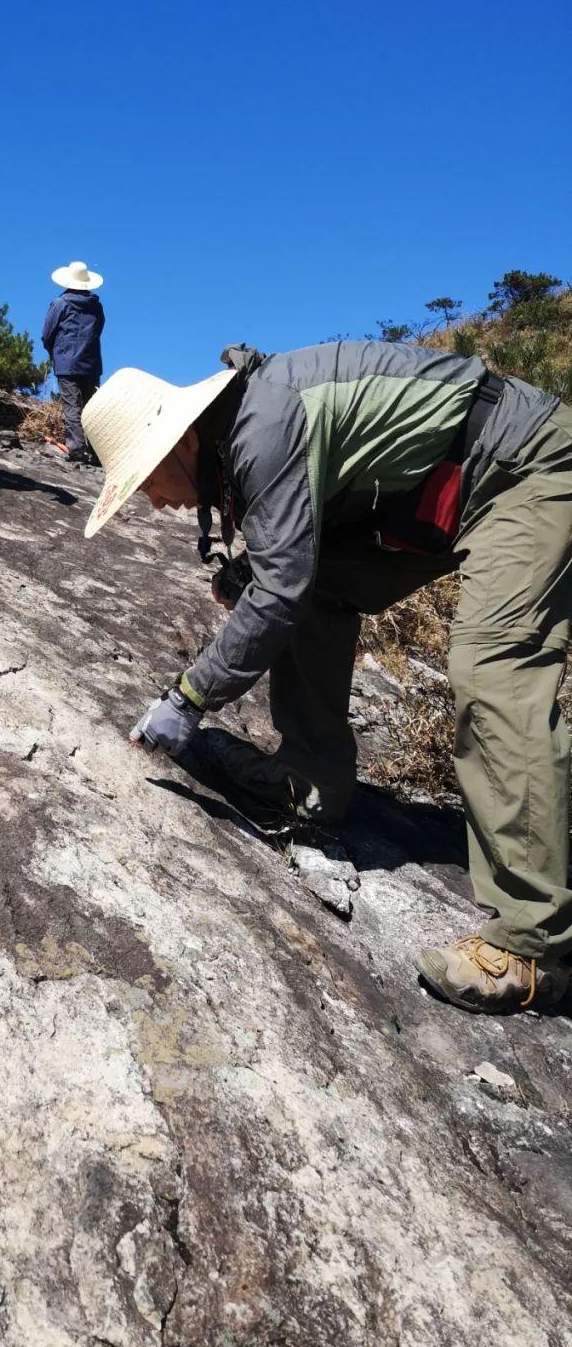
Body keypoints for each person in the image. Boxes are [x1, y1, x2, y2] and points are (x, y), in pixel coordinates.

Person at [81, 342, 572, 1015]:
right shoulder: (239, 439)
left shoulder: (261, 428)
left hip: (518, 465)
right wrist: (252, 576)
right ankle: (310, 778)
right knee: (310, 591)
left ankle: (532, 945)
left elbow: (280, 592)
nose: (155, 503)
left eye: (146, 483)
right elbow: (295, 564)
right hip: (436, 491)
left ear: (182, 442)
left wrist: (188, 696)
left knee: (494, 669)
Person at [41, 261, 105, 465]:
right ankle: (98, 453)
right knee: (92, 408)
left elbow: (47, 334)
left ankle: (76, 449)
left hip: (66, 362)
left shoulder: (60, 303)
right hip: (91, 363)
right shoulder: (96, 306)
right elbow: (98, 330)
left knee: (72, 406)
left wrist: (56, 353)